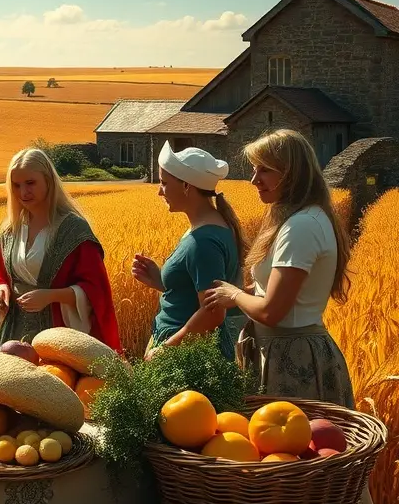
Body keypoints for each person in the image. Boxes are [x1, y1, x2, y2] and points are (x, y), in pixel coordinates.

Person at [203, 129, 355, 408]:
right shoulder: (301, 219)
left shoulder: (301, 227)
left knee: (289, 446)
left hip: (292, 359)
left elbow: (272, 312)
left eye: (265, 170)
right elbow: (269, 290)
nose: (254, 180)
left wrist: (234, 295)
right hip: (284, 350)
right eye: (253, 168)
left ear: (292, 174)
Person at [0, 147, 122, 352]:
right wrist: (0, 290)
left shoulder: (73, 230)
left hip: (59, 339)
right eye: (16, 185)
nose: (23, 192)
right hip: (11, 338)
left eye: (30, 183)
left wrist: (51, 296)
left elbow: (96, 290)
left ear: (48, 181)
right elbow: (0, 275)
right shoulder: (9, 230)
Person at [134, 142, 246, 362]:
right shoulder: (208, 228)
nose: (159, 191)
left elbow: (213, 312)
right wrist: (161, 281)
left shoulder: (203, 242)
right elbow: (196, 292)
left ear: (187, 186)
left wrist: (167, 350)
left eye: (164, 183)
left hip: (186, 356)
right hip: (184, 349)